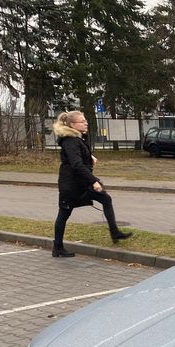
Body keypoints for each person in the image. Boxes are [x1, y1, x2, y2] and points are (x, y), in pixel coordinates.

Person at [51, 110, 132, 257]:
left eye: (85, 121)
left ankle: (115, 233)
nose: (86, 123)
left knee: (105, 199)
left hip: (82, 183)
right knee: (63, 214)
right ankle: (57, 248)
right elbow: (76, 164)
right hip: (71, 186)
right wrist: (94, 181)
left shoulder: (78, 138)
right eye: (82, 122)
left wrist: (90, 157)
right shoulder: (70, 140)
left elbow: (79, 155)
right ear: (72, 125)